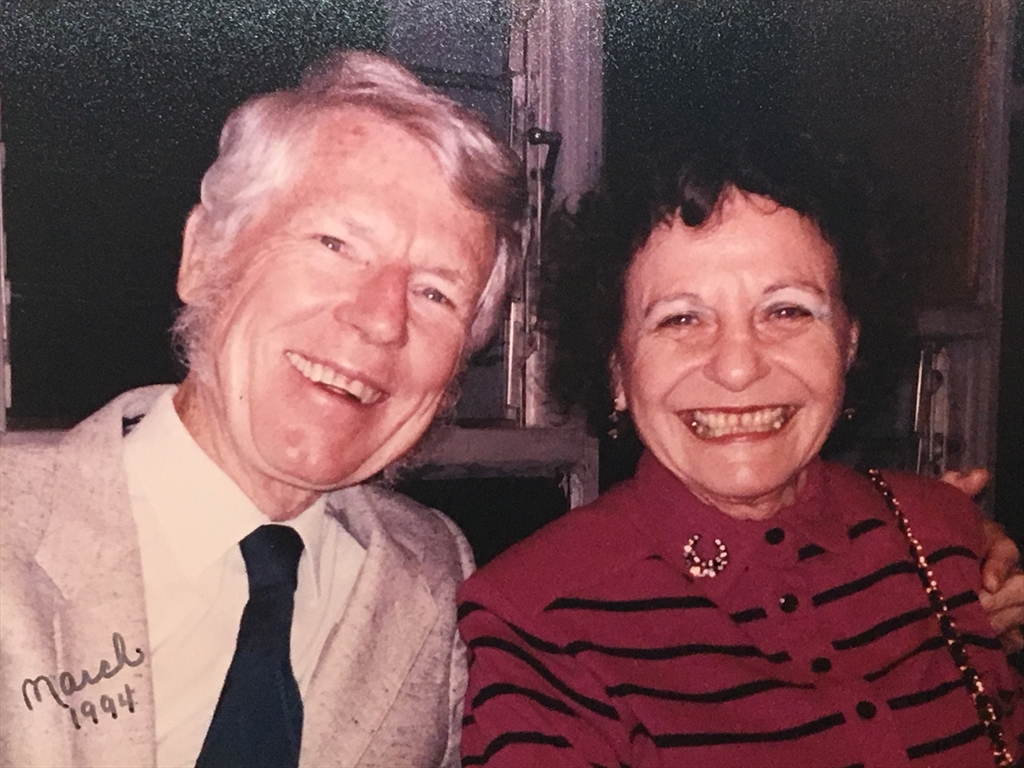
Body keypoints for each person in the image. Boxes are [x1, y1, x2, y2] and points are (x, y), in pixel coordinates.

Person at [0, 50, 524, 768]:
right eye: (336, 243)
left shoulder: (432, 576)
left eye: (437, 293)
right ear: (204, 257)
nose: (382, 321)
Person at [458, 132, 1023, 767]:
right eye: (680, 319)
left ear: (851, 341)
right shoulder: (537, 617)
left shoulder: (940, 533)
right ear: (616, 368)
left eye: (786, 311)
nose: (737, 369)